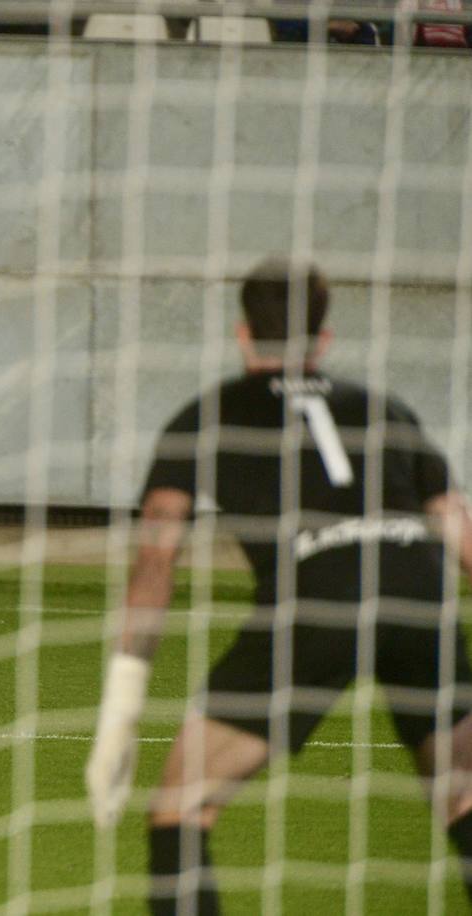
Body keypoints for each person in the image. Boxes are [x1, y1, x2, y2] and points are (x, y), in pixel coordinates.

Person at [84, 258, 472, 912]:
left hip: (316, 602)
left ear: (242, 336)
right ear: (322, 342)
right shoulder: (385, 408)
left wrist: (120, 711)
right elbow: (460, 535)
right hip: (418, 594)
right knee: (463, 794)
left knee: (181, 806)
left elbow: (157, 563)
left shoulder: (204, 417)